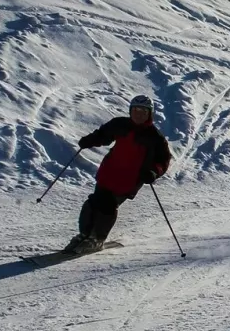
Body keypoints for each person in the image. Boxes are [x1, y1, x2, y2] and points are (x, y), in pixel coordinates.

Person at [67, 94, 173, 253]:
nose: (139, 114)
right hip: (109, 172)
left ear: (150, 114)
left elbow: (163, 160)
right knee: (94, 202)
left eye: (144, 111)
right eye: (136, 109)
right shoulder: (120, 124)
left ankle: (97, 239)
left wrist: (153, 172)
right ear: (130, 110)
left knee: (108, 205)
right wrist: (90, 140)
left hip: (130, 178)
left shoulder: (155, 137)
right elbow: (103, 135)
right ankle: (85, 234)